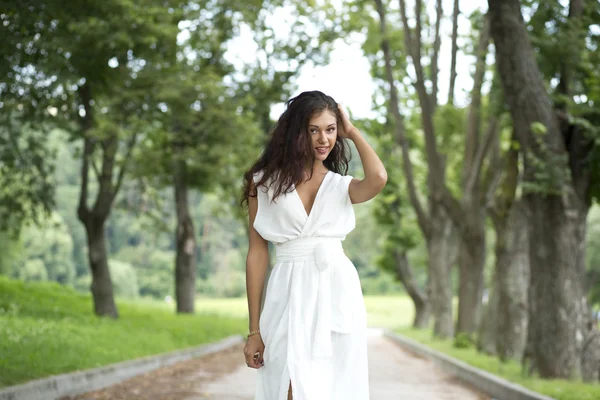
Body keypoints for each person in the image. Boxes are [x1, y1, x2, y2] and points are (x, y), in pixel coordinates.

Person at [241, 90, 387, 400]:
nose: (324, 139)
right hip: (286, 293)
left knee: (335, 389)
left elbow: (378, 177)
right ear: (296, 132)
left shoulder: (339, 185)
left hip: (335, 291)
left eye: (330, 129)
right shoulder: (262, 183)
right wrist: (254, 331)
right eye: (314, 129)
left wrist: (353, 132)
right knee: (286, 385)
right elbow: (257, 254)